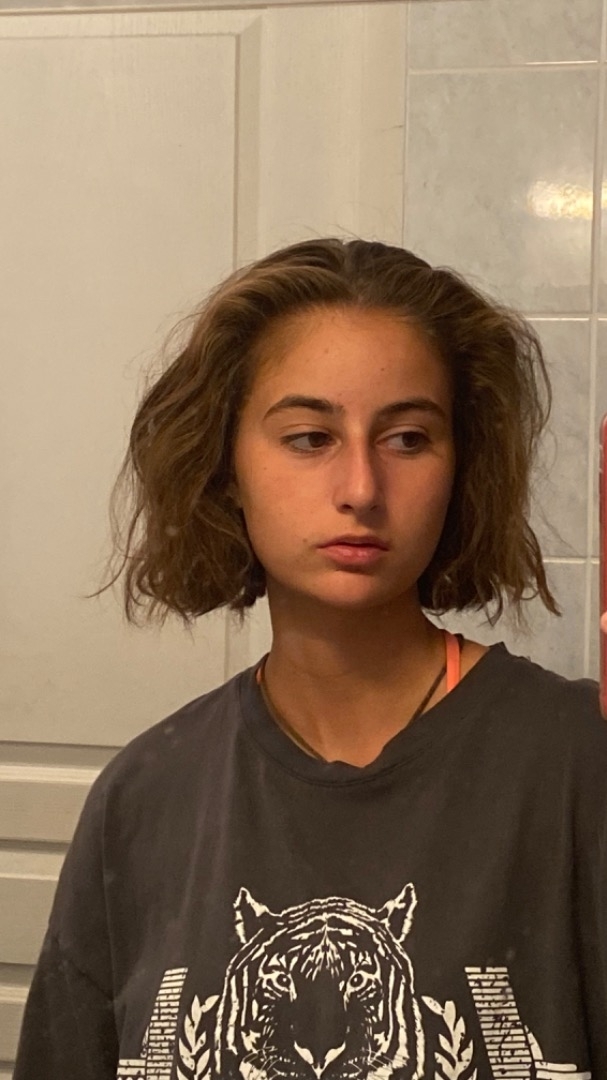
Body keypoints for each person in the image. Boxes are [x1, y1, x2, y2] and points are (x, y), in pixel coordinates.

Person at [13, 238, 607, 1080]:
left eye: (407, 438)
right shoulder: (141, 801)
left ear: (461, 469)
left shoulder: (579, 761)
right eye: (307, 437)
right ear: (226, 468)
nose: (360, 488)